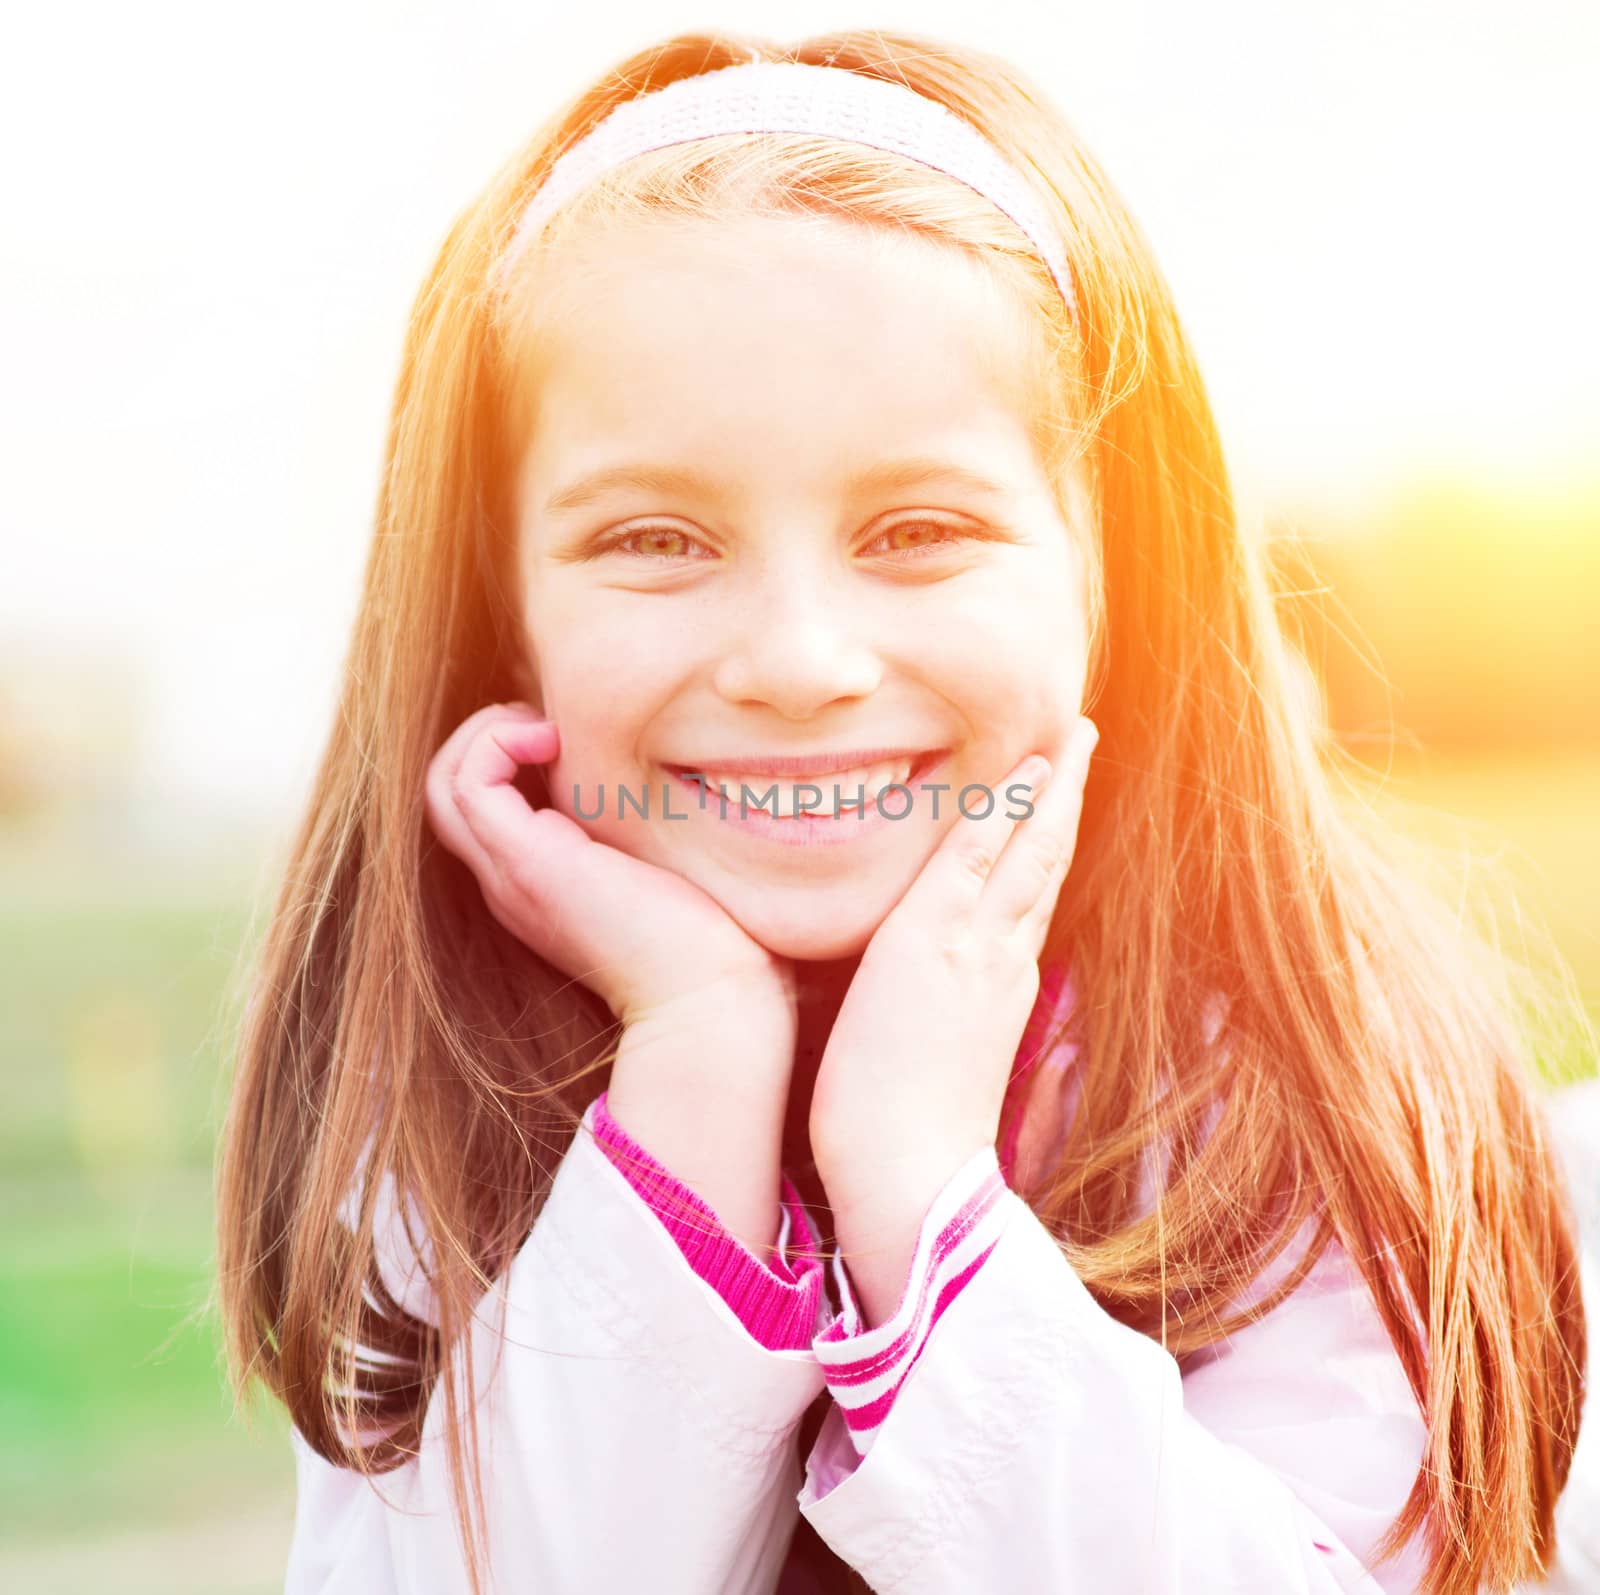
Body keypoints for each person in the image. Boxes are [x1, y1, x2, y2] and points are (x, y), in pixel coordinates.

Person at [213, 29, 1597, 1595]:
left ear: (1108, 577)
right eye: (656, 538)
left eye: (921, 528)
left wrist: (917, 1185)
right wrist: (699, 1056)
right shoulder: (451, 1096)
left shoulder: (1310, 1098)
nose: (801, 662)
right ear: (504, 612)